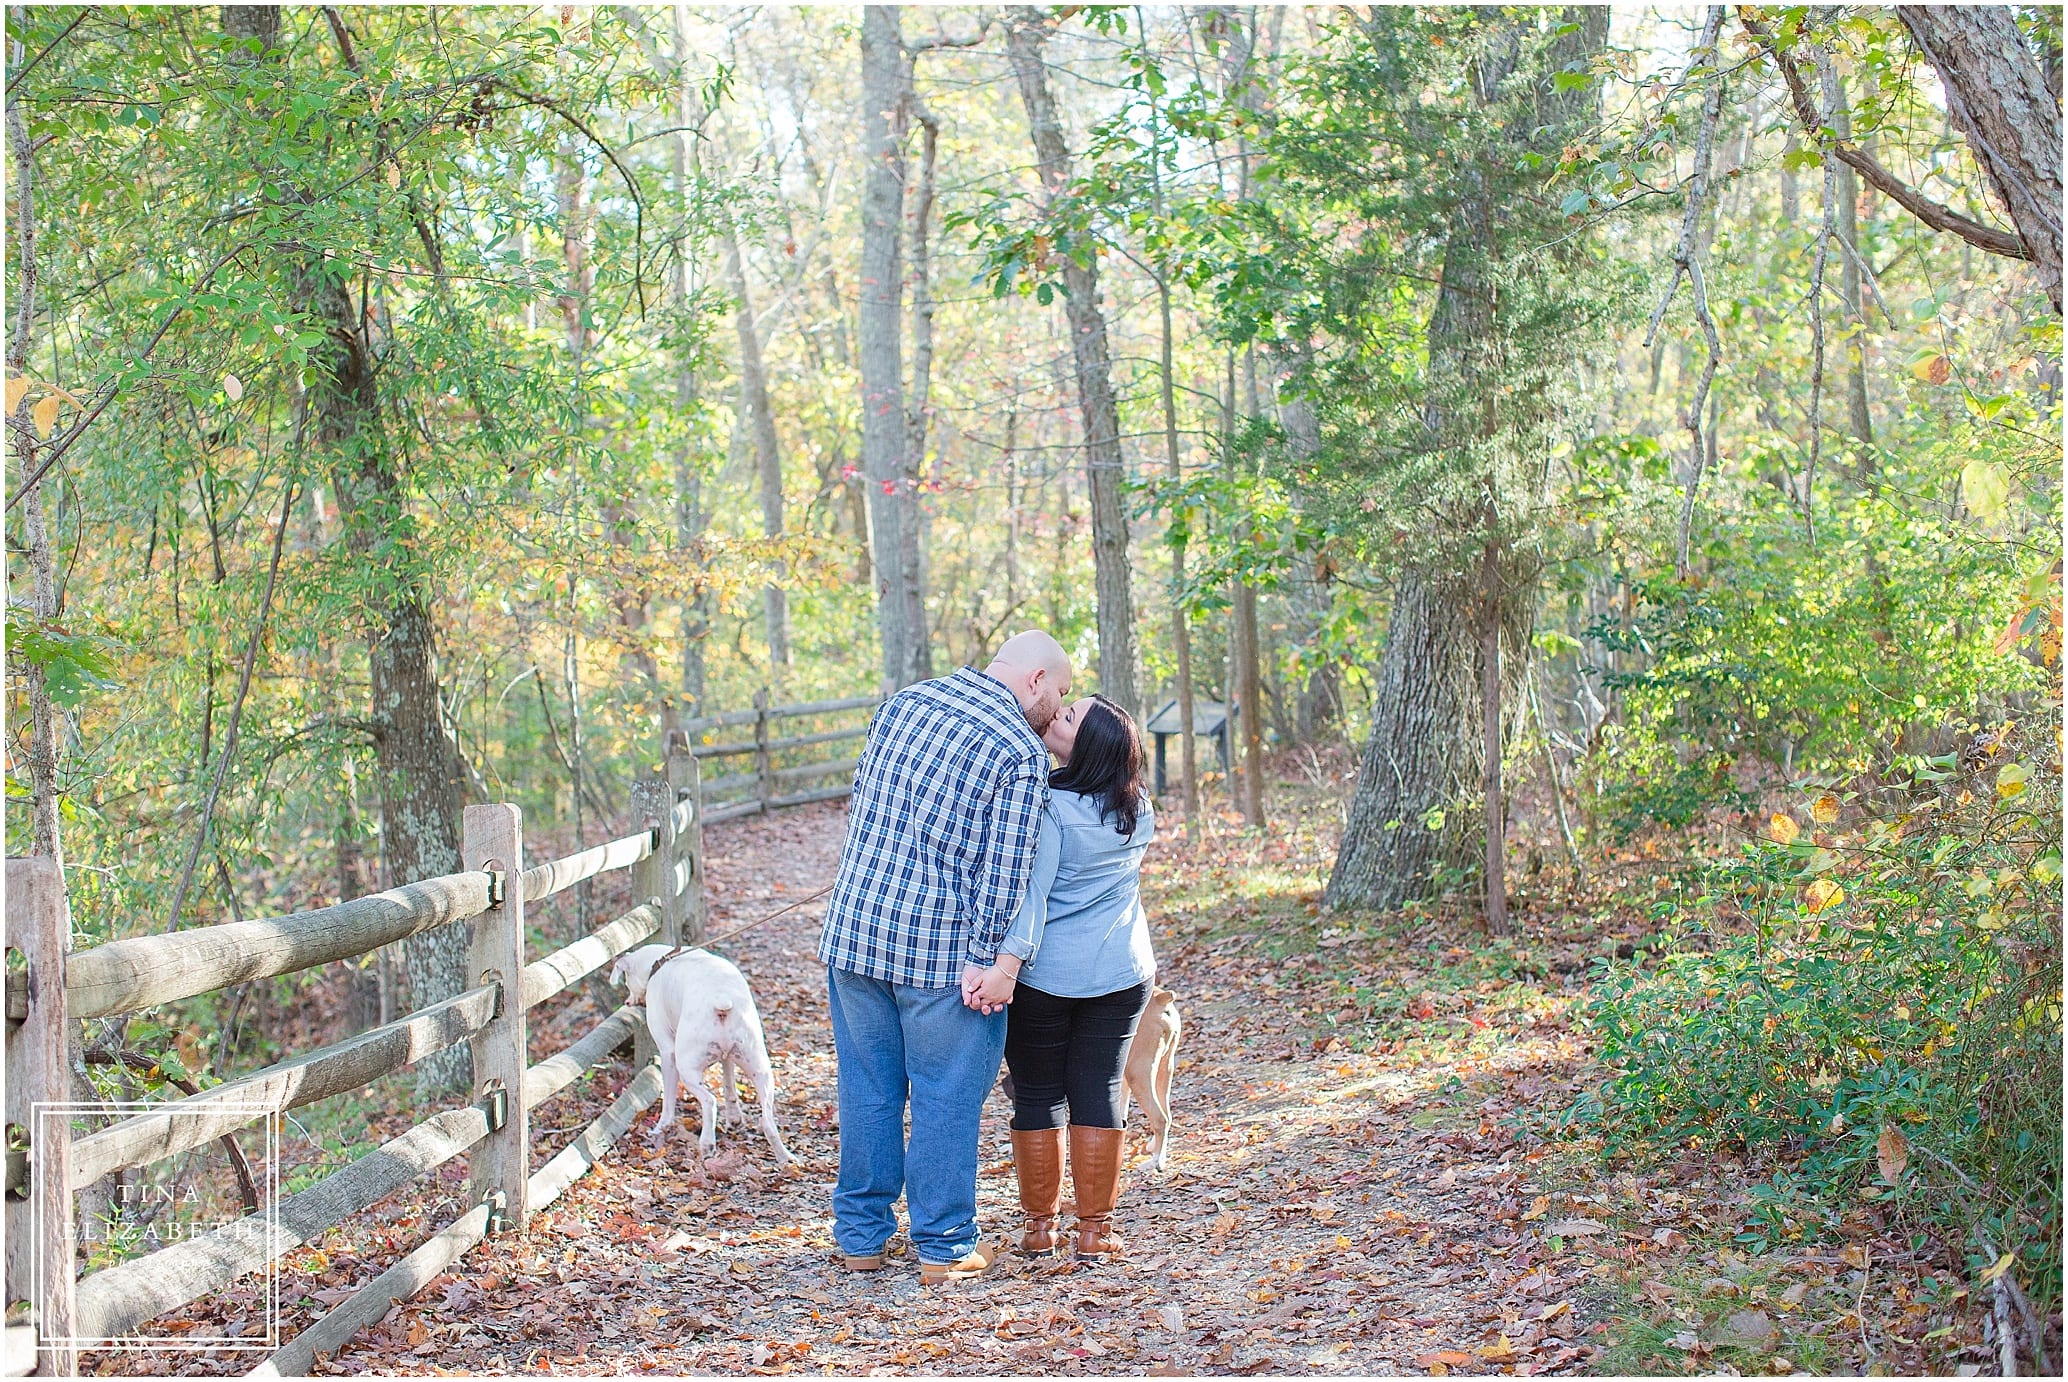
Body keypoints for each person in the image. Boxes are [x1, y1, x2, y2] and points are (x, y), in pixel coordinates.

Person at [818, 630, 1072, 1285]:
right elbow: (1006, 869)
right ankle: (944, 1246)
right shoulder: (1018, 748)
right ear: (1036, 680)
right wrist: (991, 959)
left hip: (854, 934)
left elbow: (860, 805)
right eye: (1062, 693)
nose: (1058, 709)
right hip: (939, 955)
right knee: (944, 1098)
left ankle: (861, 1239)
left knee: (868, 1090)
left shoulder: (903, 703)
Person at [963, 694, 1157, 1261]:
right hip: (1121, 972)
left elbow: (1033, 899)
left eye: (1070, 718)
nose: (1057, 716)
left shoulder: (1047, 808)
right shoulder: (1138, 807)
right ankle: (1095, 1232)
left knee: (1040, 1092)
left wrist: (1006, 966)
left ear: (1088, 747)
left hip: (1046, 975)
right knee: (1097, 1090)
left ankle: (1040, 1229)